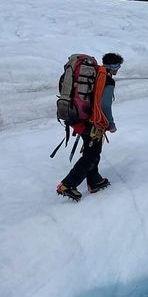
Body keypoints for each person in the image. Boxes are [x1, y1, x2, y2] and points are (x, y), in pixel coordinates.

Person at [56, 53, 123, 201]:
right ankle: (68, 184)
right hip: (91, 121)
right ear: (115, 67)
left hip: (78, 116)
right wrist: (111, 124)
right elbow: (105, 105)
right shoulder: (107, 79)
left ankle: (95, 181)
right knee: (91, 154)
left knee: (91, 150)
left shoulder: (94, 74)